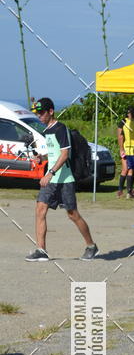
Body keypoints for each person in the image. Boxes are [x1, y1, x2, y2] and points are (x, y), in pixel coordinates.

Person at [25, 97, 98, 262]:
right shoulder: (48, 130)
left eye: (42, 113)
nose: (39, 117)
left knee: (73, 215)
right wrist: (41, 156)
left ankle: (91, 246)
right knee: (40, 210)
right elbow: (54, 152)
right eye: (38, 114)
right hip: (51, 180)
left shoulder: (60, 129)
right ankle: (41, 250)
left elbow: (65, 155)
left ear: (51, 111)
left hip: (64, 179)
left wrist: (49, 173)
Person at [117, 106, 134, 199]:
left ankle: (126, 191)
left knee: (129, 170)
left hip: (127, 149)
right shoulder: (132, 124)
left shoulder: (123, 122)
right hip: (133, 150)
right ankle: (125, 191)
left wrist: (121, 148)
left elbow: (120, 137)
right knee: (128, 170)